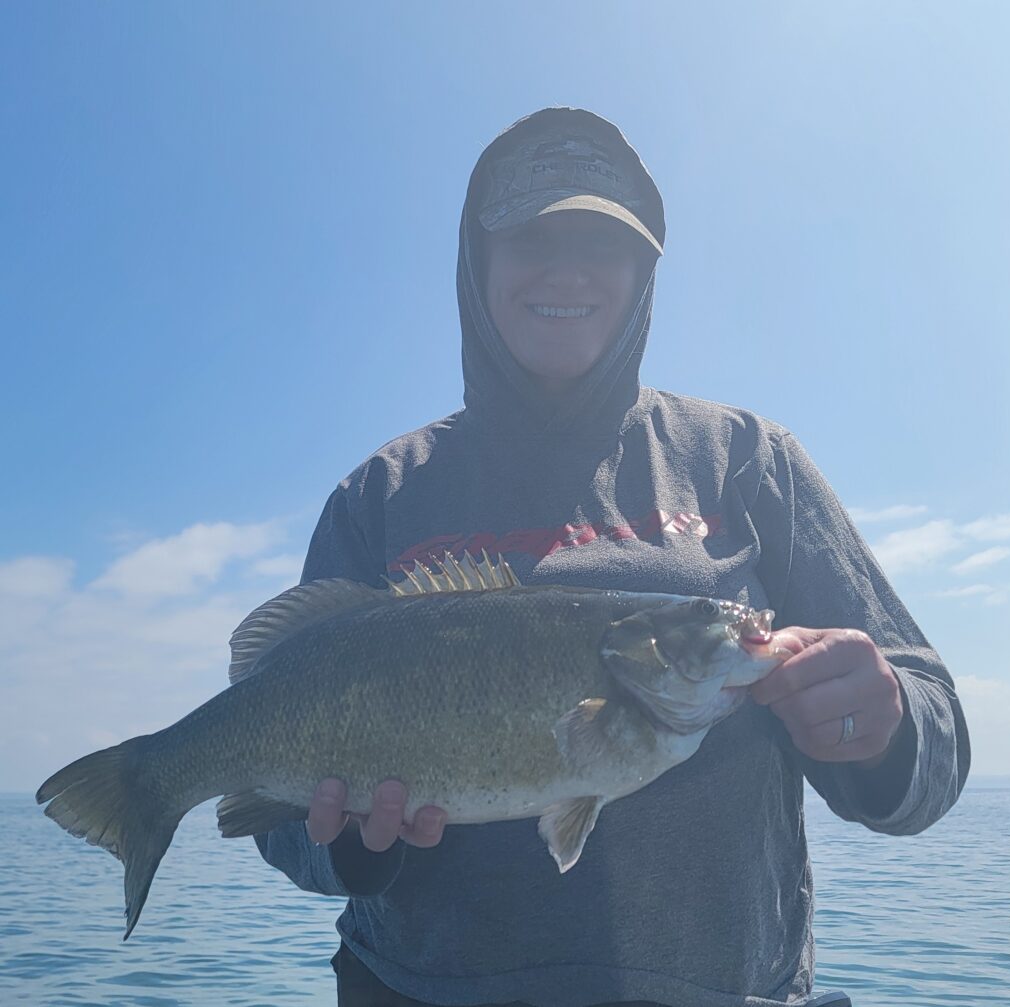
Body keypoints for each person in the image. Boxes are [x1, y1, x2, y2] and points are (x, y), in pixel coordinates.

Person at [256, 107, 970, 1007]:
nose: (566, 268)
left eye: (602, 240)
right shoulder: (379, 495)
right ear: (477, 266)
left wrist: (889, 722)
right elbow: (276, 818)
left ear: (644, 273)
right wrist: (351, 843)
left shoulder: (750, 460)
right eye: (530, 237)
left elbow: (933, 749)